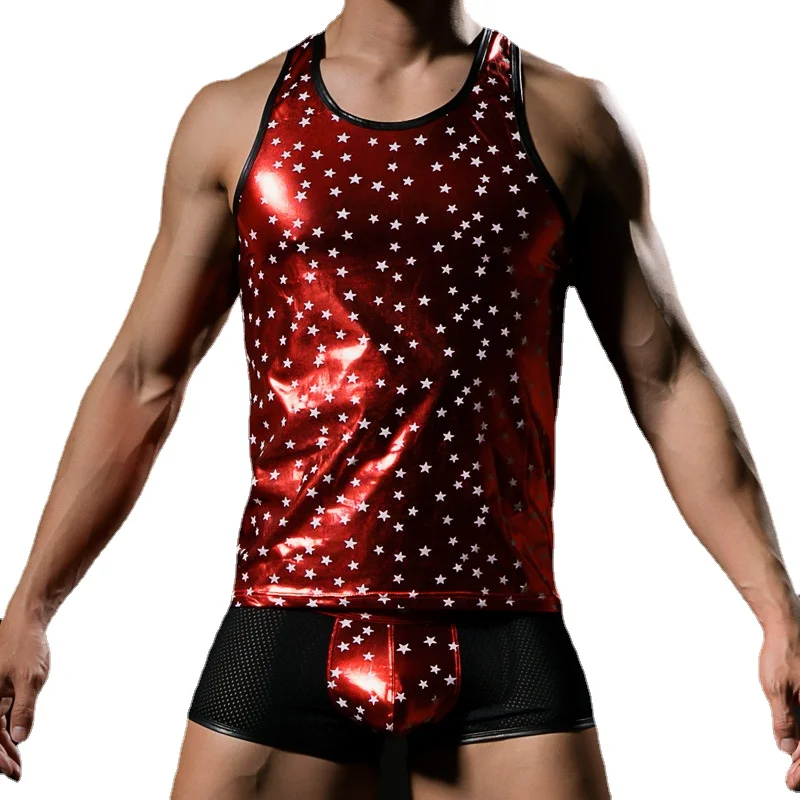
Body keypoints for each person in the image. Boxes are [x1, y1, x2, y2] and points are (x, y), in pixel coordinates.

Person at [2, 1, 799, 797]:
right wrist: (29, 610)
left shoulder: (567, 118)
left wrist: (778, 610)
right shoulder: (234, 120)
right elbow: (144, 376)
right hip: (288, 615)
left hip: (503, 625)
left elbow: (666, 377)